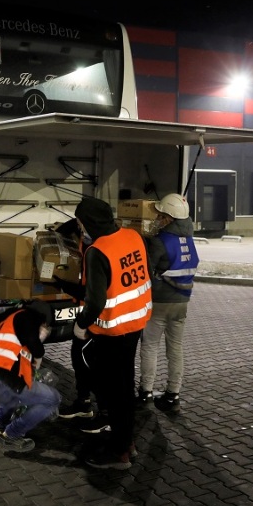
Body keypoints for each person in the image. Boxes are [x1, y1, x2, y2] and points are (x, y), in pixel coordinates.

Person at [72, 197, 152, 469]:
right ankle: (126, 441)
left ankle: (119, 453)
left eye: (81, 222)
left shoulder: (97, 251)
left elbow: (95, 302)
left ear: (89, 222)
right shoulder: (132, 237)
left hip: (112, 330)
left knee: (114, 392)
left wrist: (81, 324)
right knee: (124, 388)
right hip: (135, 325)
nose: (80, 228)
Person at [0, 300, 61, 453]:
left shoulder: (7, 322)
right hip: (0, 377)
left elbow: (19, 352)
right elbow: (36, 346)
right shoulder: (27, 317)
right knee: (52, 399)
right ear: (42, 317)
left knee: (14, 395)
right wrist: (39, 344)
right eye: (45, 326)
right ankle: (11, 436)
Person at [138, 193, 199, 413]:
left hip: (160, 302)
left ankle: (145, 392)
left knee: (150, 346)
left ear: (169, 218)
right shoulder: (189, 240)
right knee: (175, 348)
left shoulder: (159, 241)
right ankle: (173, 394)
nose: (158, 218)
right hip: (182, 302)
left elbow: (146, 271)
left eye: (161, 215)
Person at [50, 219, 111, 434]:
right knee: (79, 357)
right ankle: (84, 403)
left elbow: (91, 292)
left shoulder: (98, 250)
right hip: (90, 316)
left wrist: (63, 285)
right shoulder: (88, 245)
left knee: (95, 367)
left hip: (101, 321)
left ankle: (105, 414)